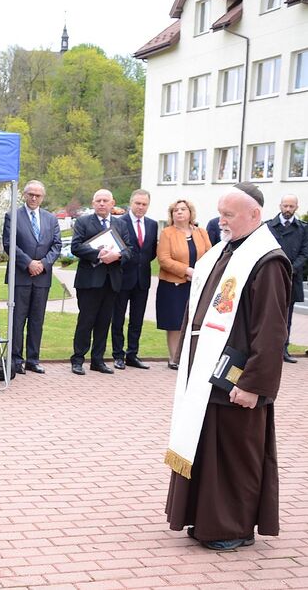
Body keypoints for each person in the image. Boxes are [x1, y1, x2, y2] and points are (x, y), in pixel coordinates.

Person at [165, 183, 290, 551]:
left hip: (237, 378)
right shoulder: (226, 251)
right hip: (208, 374)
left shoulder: (267, 260)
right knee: (208, 450)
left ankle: (232, 527)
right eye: (220, 213)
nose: (221, 221)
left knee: (235, 456)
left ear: (254, 215)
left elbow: (271, 330)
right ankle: (207, 521)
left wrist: (254, 383)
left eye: (229, 215)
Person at [69, 189, 132, 375]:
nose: (102, 203)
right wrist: (98, 254)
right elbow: (76, 247)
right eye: (98, 200)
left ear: (112, 203)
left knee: (105, 322)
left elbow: (129, 249)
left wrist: (118, 255)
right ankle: (78, 359)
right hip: (89, 281)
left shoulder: (120, 224)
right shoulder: (82, 222)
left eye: (106, 200)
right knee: (86, 321)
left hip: (112, 280)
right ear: (93, 203)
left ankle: (98, 360)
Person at [2, 180, 61, 375]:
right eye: (31, 194)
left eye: (38, 195)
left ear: (42, 197)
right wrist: (29, 263)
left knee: (37, 320)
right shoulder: (13, 215)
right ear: (25, 195)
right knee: (17, 320)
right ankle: (16, 360)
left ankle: (33, 359)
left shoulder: (51, 219)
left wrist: (42, 264)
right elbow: (9, 244)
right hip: (20, 276)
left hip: (42, 277)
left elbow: (57, 246)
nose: (34, 198)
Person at [155, 199, 212, 369]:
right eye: (175, 210)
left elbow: (210, 255)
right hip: (174, 286)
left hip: (197, 284)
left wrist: (199, 273)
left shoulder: (201, 232)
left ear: (190, 212)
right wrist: (187, 271)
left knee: (195, 321)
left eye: (183, 209)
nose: (179, 212)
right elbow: (164, 259)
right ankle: (174, 358)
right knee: (175, 323)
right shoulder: (167, 233)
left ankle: (191, 357)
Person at [111, 189, 158, 370]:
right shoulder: (119, 222)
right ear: (131, 203)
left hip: (142, 279)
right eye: (137, 203)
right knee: (118, 318)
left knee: (137, 319)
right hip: (122, 277)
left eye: (144, 204)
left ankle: (132, 354)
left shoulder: (153, 225)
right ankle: (118, 355)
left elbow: (151, 251)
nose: (140, 207)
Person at [266, 194, 308, 363]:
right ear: (280, 206)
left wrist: (291, 268)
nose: (288, 209)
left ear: (296, 207)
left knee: (287, 317)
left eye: (291, 206)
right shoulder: (269, 226)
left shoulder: (303, 229)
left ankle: (283, 349)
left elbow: (305, 253)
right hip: (272, 277)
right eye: (285, 206)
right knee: (268, 314)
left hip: (292, 278)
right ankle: (267, 350)